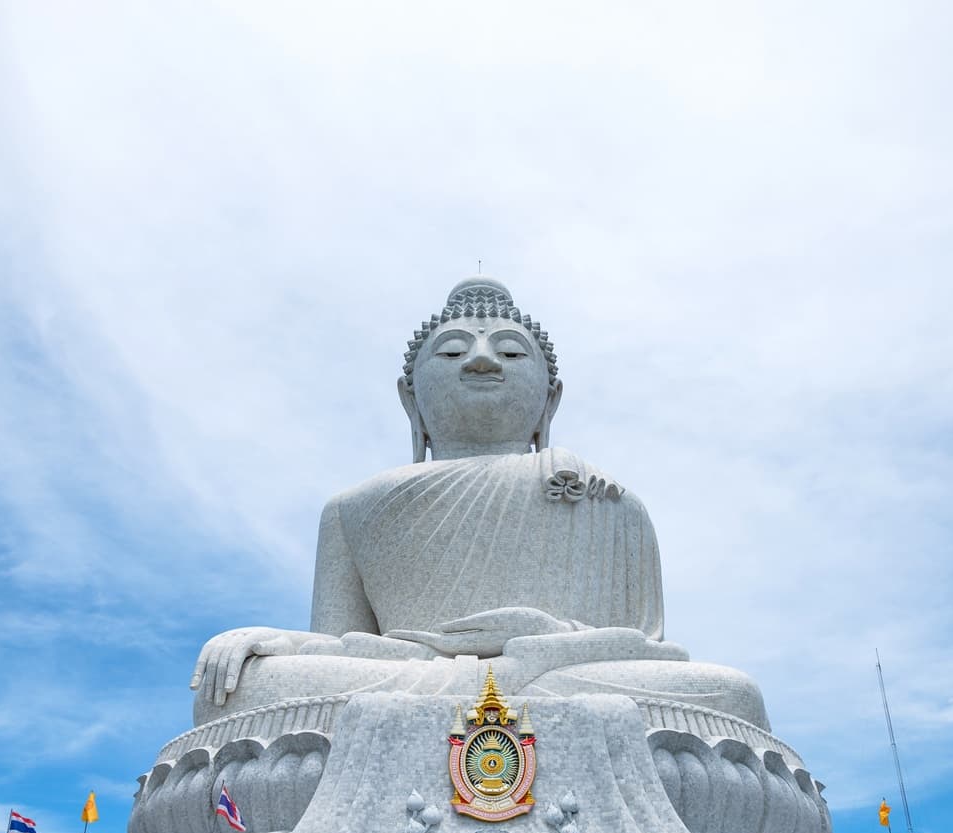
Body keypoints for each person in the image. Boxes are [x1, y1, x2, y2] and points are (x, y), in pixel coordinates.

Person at [186, 276, 770, 732]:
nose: (483, 361)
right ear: (409, 399)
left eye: (513, 354)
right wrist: (281, 644)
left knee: (732, 695)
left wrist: (539, 636)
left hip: (562, 674)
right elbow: (344, 643)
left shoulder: (605, 498)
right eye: (452, 353)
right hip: (407, 675)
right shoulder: (352, 507)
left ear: (551, 398)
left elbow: (646, 649)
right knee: (247, 689)